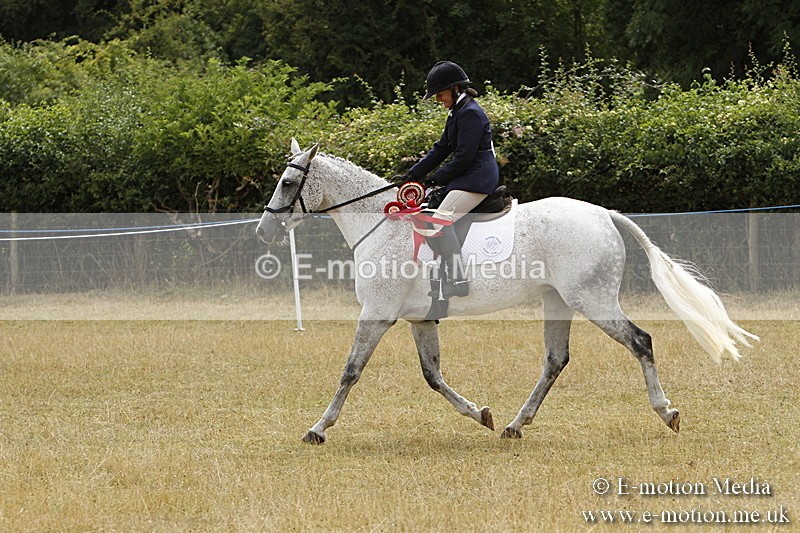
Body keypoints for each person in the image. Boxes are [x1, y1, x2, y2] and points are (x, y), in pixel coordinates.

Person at [404, 60, 500, 298]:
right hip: (467, 176)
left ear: (456, 88)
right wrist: (413, 174)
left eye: (440, 94)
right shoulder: (457, 112)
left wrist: (434, 178)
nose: (438, 99)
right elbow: (441, 149)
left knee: (439, 222)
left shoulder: (471, 114)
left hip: (478, 178)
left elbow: (464, 159)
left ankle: (458, 281)